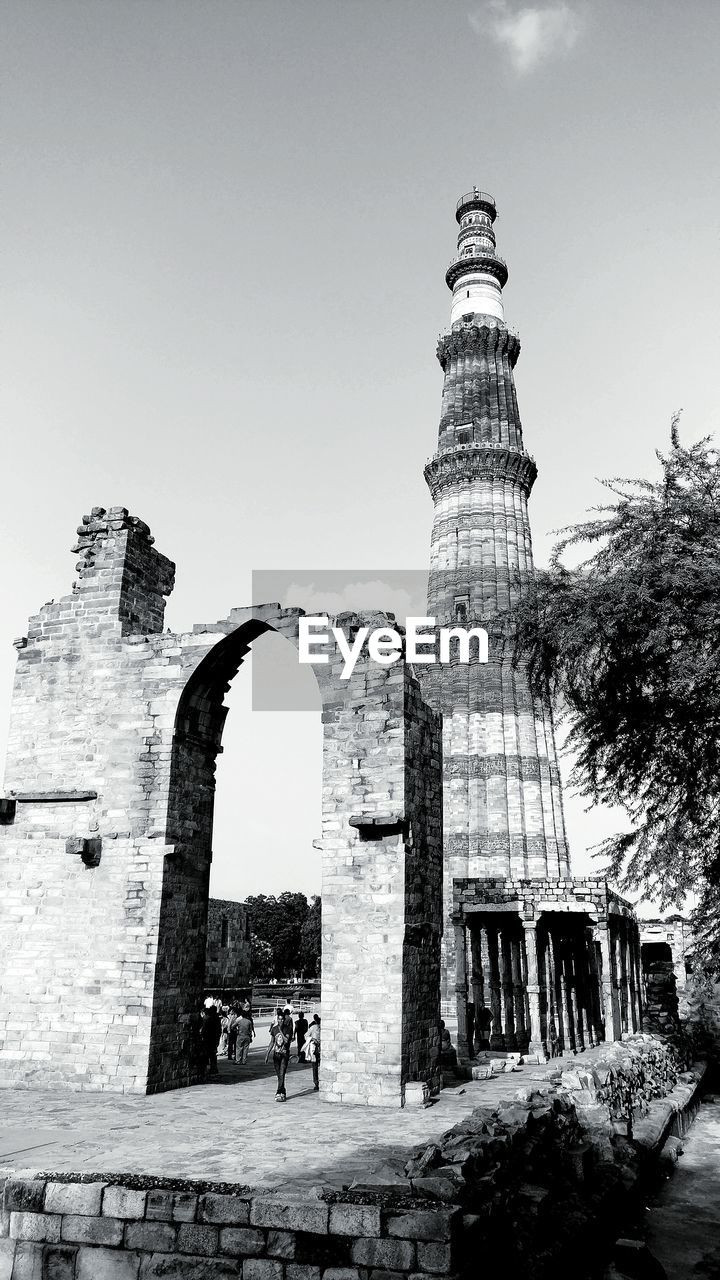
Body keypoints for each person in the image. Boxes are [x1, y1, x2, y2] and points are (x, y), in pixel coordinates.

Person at [265, 1006, 293, 1101]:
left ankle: (278, 1092)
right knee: (279, 1075)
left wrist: (281, 1031)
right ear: (277, 1019)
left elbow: (286, 1040)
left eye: (282, 1019)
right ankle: (283, 1091)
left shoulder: (288, 1028)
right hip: (276, 1054)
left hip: (284, 1054)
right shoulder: (274, 1029)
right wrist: (267, 1054)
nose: (280, 1021)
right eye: (279, 1019)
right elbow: (272, 1041)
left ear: (284, 1020)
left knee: (282, 1073)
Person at [200, 999, 222, 1078]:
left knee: (206, 1054)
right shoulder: (217, 1019)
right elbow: (219, 1030)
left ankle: (205, 1069)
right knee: (213, 1054)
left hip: (208, 1039)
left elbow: (204, 1030)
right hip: (214, 1039)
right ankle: (213, 1068)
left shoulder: (208, 1019)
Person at [305, 1014, 321, 1091]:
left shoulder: (323, 1028)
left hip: (321, 1050)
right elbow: (306, 1035)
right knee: (315, 1067)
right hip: (314, 1049)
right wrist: (312, 1039)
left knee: (320, 1067)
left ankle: (321, 1082)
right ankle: (316, 1083)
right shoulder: (313, 1027)